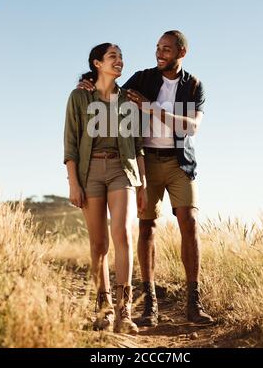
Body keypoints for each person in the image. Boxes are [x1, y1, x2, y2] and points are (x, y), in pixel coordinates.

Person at [78, 31, 214, 326]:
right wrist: (87, 81)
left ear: (181, 53)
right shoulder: (143, 79)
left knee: (189, 222)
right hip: (146, 161)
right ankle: (149, 304)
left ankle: (194, 302)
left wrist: (150, 108)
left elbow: (190, 128)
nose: (159, 53)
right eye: (157, 48)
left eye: (166, 49)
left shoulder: (193, 85)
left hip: (181, 164)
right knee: (147, 227)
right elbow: (110, 93)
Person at [64, 43, 147, 334]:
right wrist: (74, 182)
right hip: (90, 173)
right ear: (97, 63)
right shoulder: (79, 97)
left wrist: (143, 184)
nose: (120, 61)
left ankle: (125, 312)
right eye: (113, 57)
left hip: (122, 171)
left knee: (123, 234)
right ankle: (104, 310)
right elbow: (70, 144)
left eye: (122, 57)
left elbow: (138, 146)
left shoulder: (130, 100)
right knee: (99, 244)